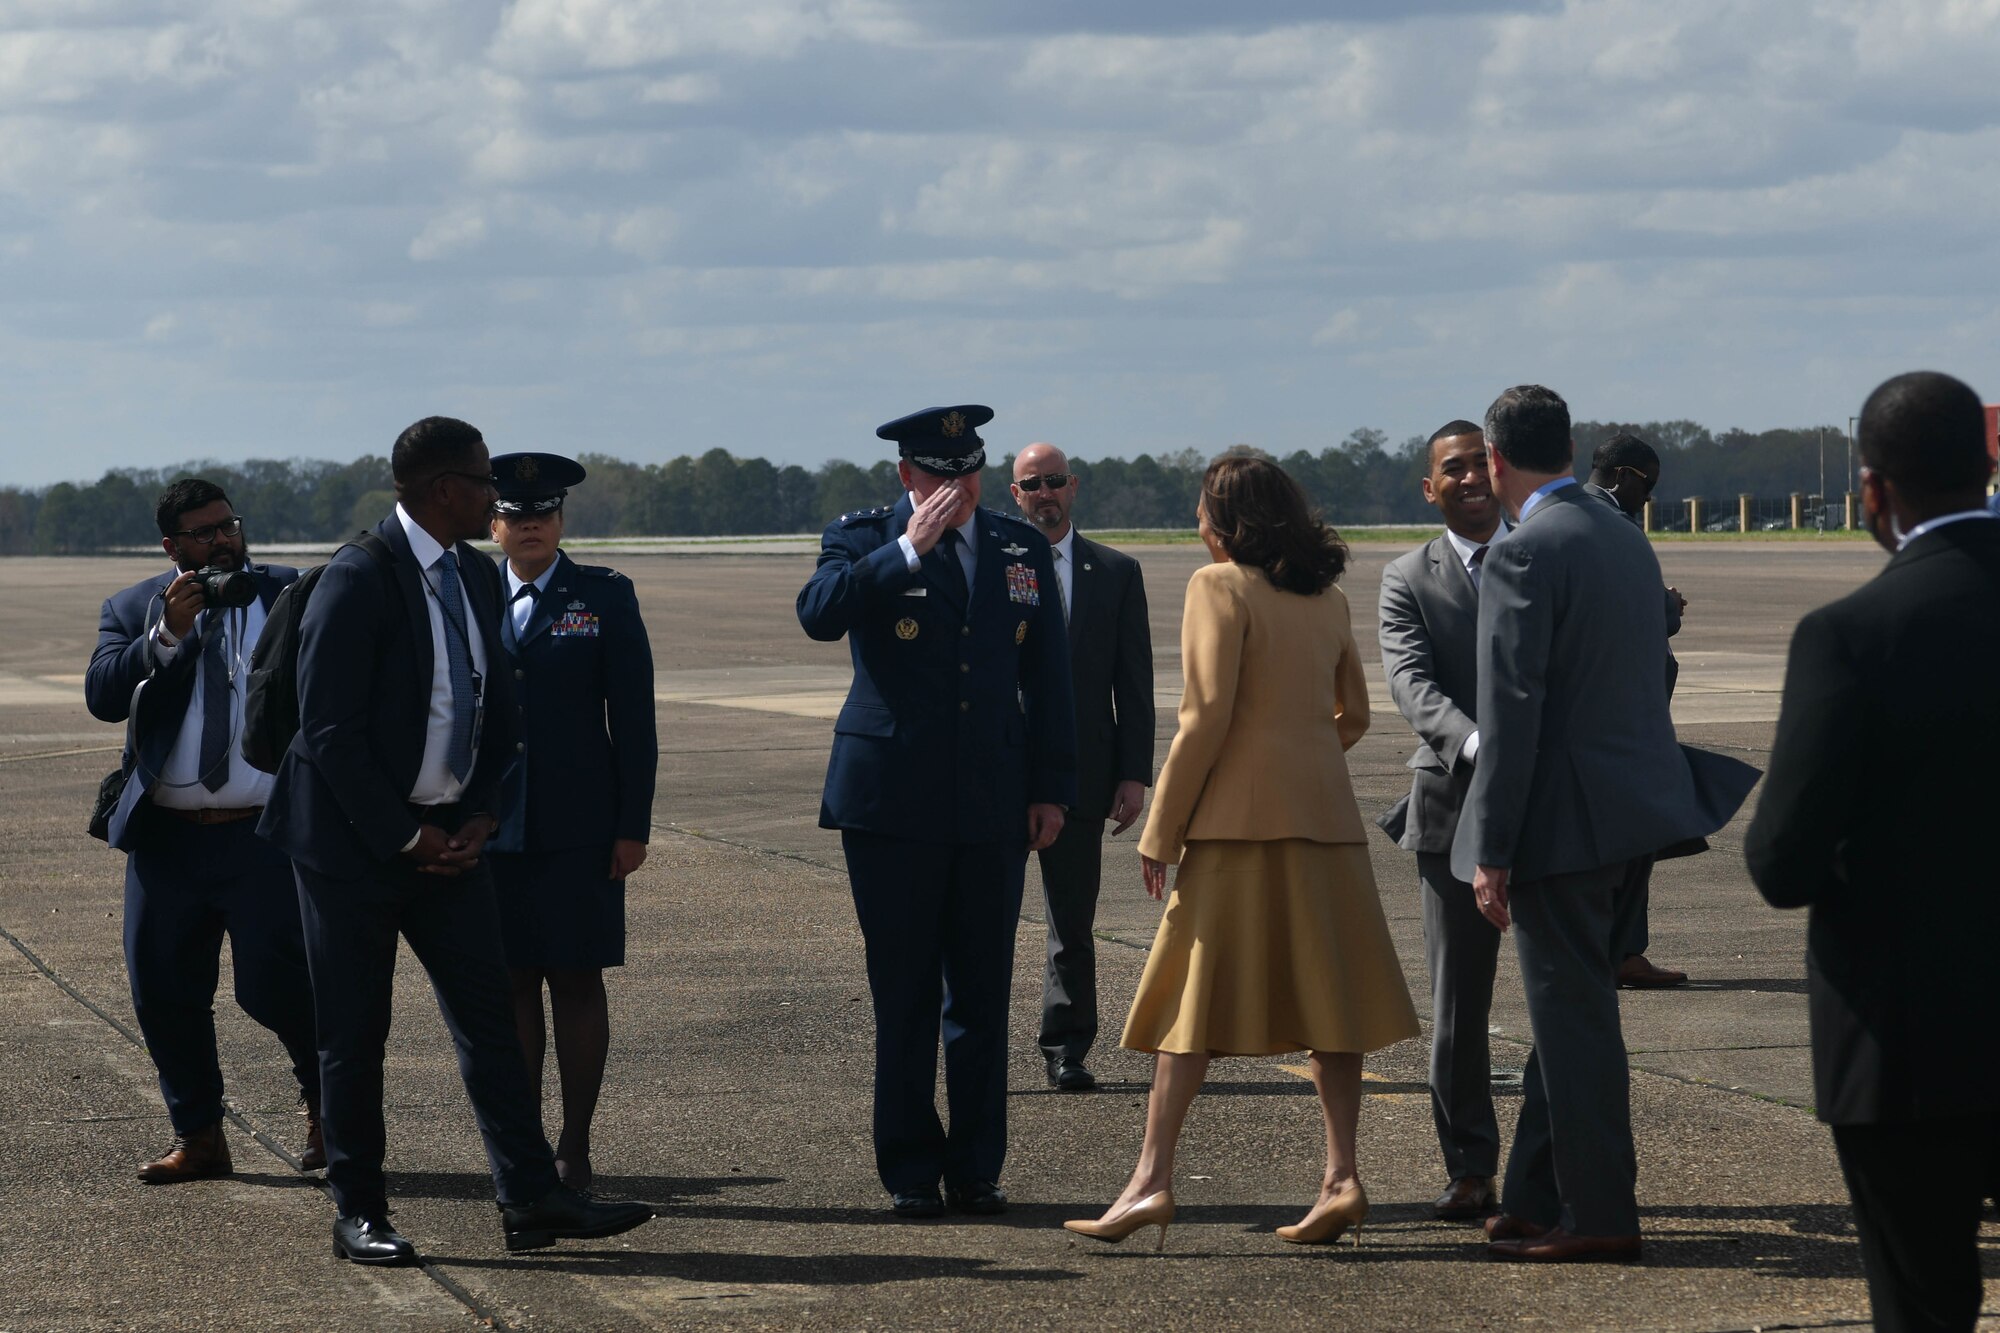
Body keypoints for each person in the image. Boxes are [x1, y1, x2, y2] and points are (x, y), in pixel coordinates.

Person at [259, 416, 652, 1265]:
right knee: (356, 1033)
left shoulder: (473, 576)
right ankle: (359, 1208)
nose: (495, 496)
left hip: (451, 843)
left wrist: (478, 814)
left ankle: (530, 1197)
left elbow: (495, 716)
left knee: (487, 1019)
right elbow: (328, 732)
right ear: (444, 490)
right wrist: (404, 835)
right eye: (482, 482)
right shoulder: (360, 577)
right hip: (354, 847)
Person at [1066, 453, 1418, 1252]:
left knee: (1190, 1007)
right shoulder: (1324, 597)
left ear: (1225, 521)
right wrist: (1298, 759)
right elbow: (1354, 713)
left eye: (1202, 511)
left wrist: (1163, 826)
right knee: (1334, 1004)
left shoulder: (1215, 585)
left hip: (1235, 826)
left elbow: (1206, 715)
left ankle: (1151, 1181)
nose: (1198, 525)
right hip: (1326, 821)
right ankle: (1342, 1175)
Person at [1459, 386, 1757, 1263]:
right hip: (1637, 814)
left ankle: (1599, 1214)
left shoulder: (1524, 553)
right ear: (1571, 446)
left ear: (1496, 461)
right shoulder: (1623, 537)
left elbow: (1511, 714)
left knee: (1575, 1023)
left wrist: (1493, 847)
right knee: (1570, 1018)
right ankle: (1533, 1194)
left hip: (1564, 824)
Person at [1746, 371, 2000, 1332]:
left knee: (1923, 1306)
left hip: (1908, 1045)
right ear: (1988, 470)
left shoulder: (1852, 635)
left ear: (1873, 490)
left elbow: (1780, 863)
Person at [797, 404, 1077, 1219]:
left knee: (983, 996)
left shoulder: (1018, 546)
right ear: (907, 476)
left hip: (991, 802)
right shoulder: (859, 537)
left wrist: (1052, 787)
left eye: (967, 472)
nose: (955, 489)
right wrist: (906, 549)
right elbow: (819, 613)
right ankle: (912, 1170)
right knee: (907, 995)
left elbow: (1049, 678)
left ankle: (978, 1166)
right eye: (938, 474)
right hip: (891, 805)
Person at [83, 480, 324, 1182]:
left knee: (275, 983)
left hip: (264, 834)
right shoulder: (134, 608)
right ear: (172, 546)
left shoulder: (290, 592)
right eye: (204, 531)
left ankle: (325, 1107)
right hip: (167, 837)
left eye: (228, 525)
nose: (222, 539)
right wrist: (166, 636)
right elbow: (102, 695)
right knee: (162, 987)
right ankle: (200, 1134)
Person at [485, 452, 658, 1193]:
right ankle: (523, 1149)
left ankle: (574, 1145)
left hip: (581, 825)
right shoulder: (464, 593)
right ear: (492, 522)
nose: (530, 526)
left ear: (560, 520)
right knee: (511, 985)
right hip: (489, 826)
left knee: (577, 982)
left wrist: (633, 823)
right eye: (516, 515)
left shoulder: (604, 597)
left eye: (544, 514)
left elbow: (636, 720)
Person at [1375, 421, 1506, 1222]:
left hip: (1555, 806)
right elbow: (1411, 684)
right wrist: (1480, 744)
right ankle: (1469, 1165)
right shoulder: (1406, 577)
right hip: (1453, 802)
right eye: (1451, 470)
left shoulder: (1546, 553)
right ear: (1430, 489)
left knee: (1570, 994)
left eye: (1479, 464)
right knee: (1459, 1006)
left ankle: (1553, 1160)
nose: (1469, 478)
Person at [1008, 442, 1154, 1093]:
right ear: (1014, 494)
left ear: (1075, 487)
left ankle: (1067, 1047)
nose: (1045, 492)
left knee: (1073, 924)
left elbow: (1135, 681)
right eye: (1031, 483)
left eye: (1055, 481)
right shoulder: (993, 565)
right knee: (980, 924)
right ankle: (975, 1051)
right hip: (1000, 774)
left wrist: (1134, 772)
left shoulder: (1116, 572)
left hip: (1085, 777)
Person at [1581, 432, 1692, 990]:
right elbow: (1653, 618)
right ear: (1623, 474)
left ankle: (1604, 945)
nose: (1649, 498)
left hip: (1592, 707)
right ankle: (1624, 950)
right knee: (1636, 830)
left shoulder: (1564, 517)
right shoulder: (1618, 528)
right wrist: (1670, 605)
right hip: (1626, 714)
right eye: (1647, 485)